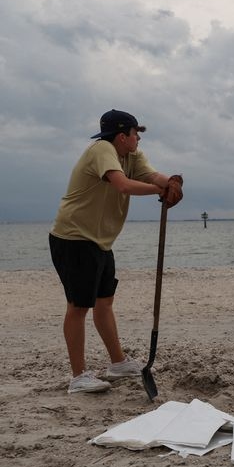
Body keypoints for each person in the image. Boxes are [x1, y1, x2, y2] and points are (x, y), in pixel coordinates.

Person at [49, 110, 184, 394]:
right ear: (123, 136)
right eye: (136, 134)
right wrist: (158, 191)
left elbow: (152, 175)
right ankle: (78, 377)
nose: (138, 139)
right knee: (78, 306)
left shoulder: (131, 156)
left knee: (104, 302)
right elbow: (122, 185)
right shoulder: (102, 149)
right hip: (73, 237)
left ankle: (118, 363)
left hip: (100, 240)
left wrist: (171, 183)